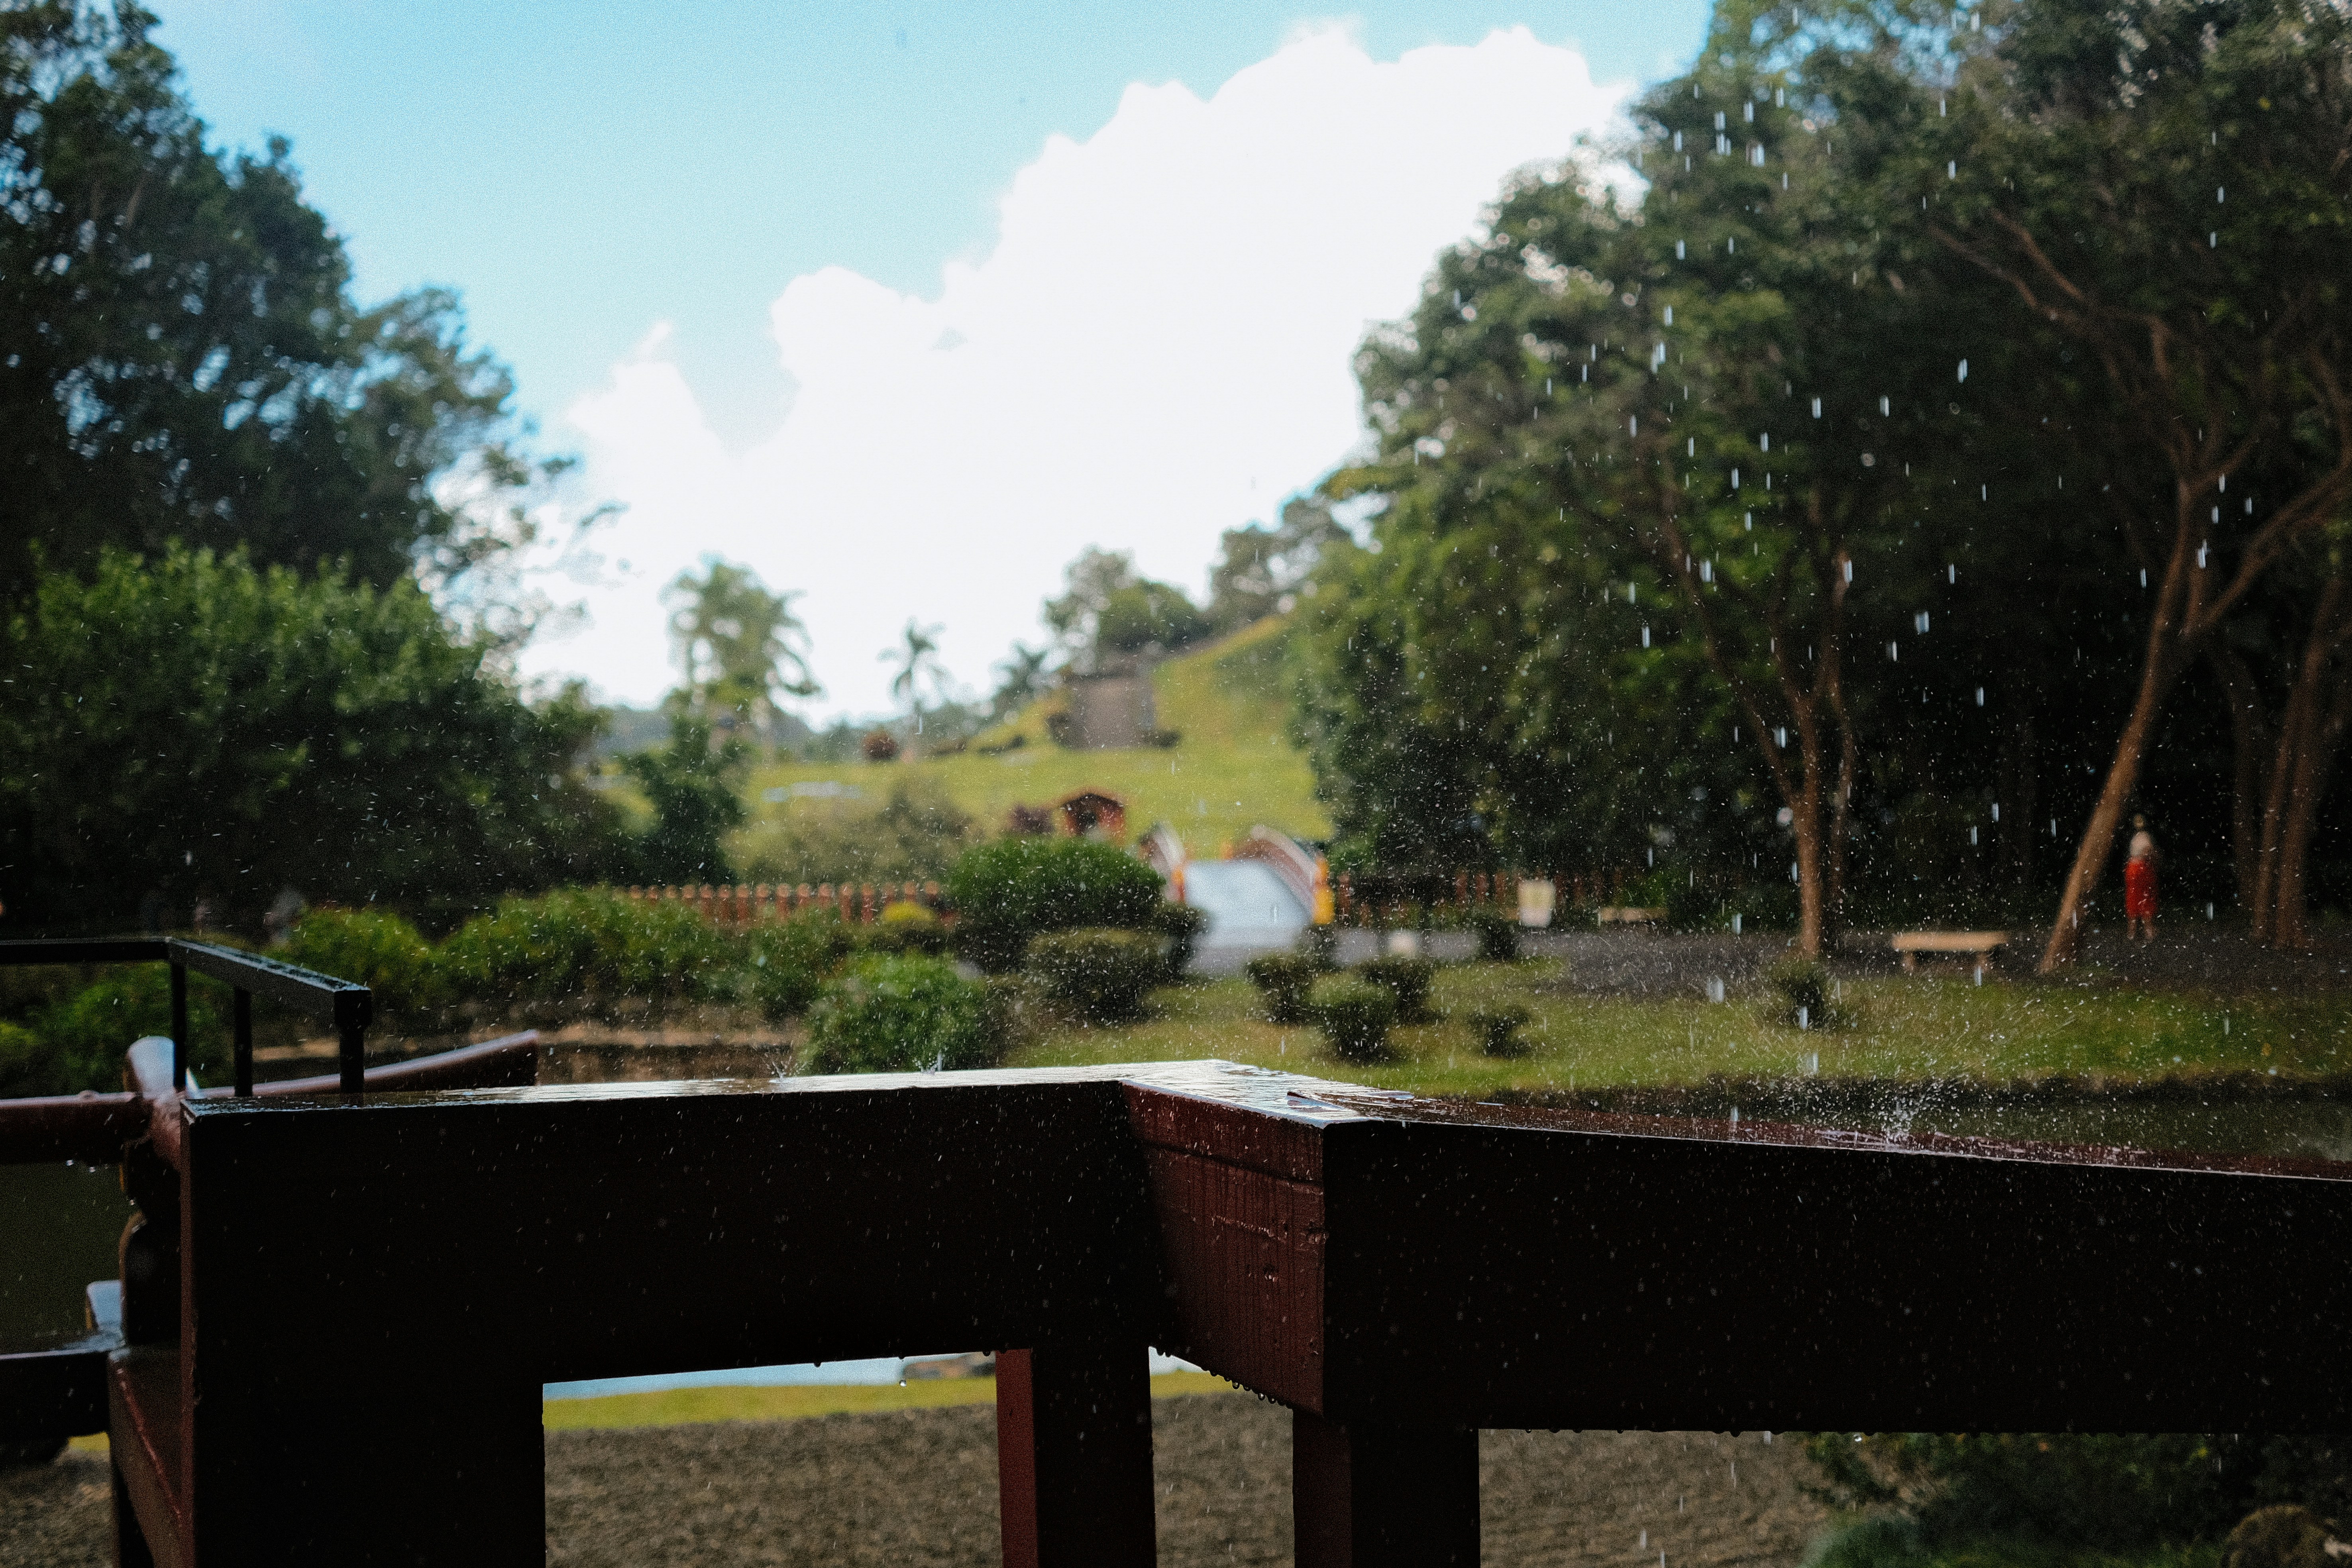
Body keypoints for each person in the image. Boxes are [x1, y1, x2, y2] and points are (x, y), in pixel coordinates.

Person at [2124, 815, 2159, 944]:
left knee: (2135, 899)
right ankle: (2146, 931)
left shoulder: (2136, 838)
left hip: (2134, 869)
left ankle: (2133, 932)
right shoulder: (2143, 838)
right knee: (2143, 899)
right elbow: (2147, 852)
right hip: (2140, 869)